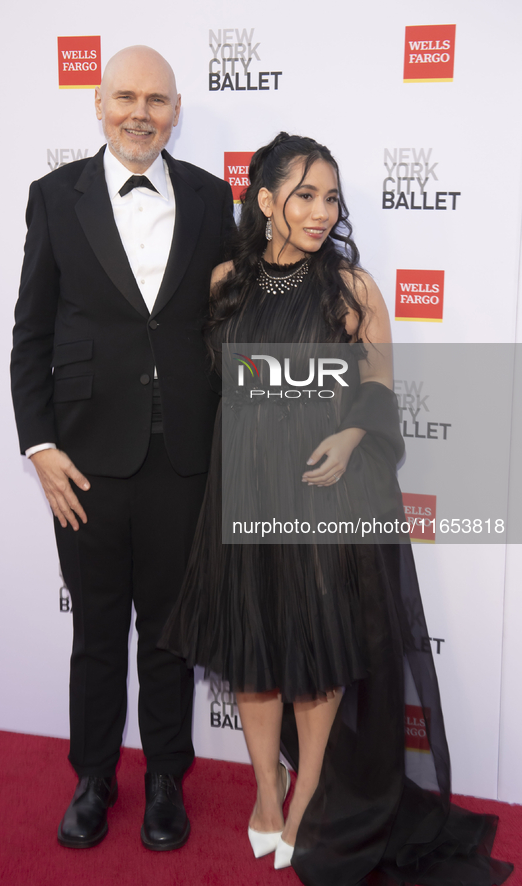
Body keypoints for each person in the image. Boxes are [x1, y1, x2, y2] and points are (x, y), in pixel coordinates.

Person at [160, 133, 513, 883]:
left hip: (322, 501)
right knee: (252, 657)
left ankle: (306, 796)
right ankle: (266, 791)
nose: (321, 212)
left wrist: (352, 431)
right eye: (303, 195)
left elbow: (380, 392)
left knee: (315, 663)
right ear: (263, 201)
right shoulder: (225, 280)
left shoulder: (351, 290)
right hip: (242, 492)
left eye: (330, 197)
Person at [10, 46, 234, 851]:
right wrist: (38, 444)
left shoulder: (214, 199)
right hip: (86, 463)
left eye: (158, 100)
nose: (141, 113)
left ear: (177, 111)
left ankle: (168, 776)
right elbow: (30, 331)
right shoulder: (54, 196)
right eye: (126, 97)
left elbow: (230, 322)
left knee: (172, 632)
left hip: (186, 460)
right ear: (98, 104)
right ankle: (95, 776)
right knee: (98, 630)